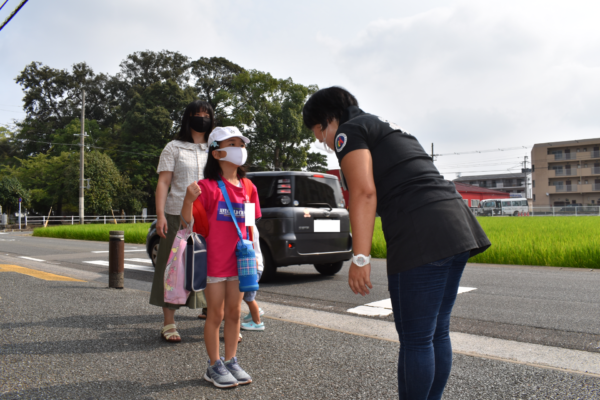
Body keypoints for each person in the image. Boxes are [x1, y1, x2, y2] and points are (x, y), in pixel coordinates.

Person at [302, 87, 491, 400]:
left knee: (417, 339)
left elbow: (364, 193)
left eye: (317, 132)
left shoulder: (348, 133)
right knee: (436, 331)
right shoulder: (387, 128)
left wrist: (360, 258)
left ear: (326, 121)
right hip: (457, 226)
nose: (320, 140)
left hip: (422, 233)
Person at [181, 126, 261, 389]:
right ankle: (214, 364)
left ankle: (231, 360)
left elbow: (250, 227)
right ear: (217, 153)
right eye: (233, 143)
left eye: (241, 143)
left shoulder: (249, 187)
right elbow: (188, 223)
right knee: (215, 314)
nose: (239, 149)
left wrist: (256, 258)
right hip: (215, 263)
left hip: (241, 264)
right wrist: (187, 200)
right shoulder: (205, 187)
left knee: (234, 314)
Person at [149, 100, 213, 343]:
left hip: (208, 215)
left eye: (206, 115)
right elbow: (164, 182)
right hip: (177, 212)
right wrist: (161, 214)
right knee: (172, 266)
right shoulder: (173, 147)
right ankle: (169, 323)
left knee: (209, 265)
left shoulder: (215, 147)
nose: (202, 119)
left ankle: (211, 312)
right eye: (197, 115)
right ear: (188, 118)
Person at [241, 226, 265, 331]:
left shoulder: (248, 227)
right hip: (253, 266)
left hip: (251, 266)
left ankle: (257, 322)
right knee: (246, 296)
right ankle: (255, 313)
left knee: (248, 298)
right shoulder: (251, 225)